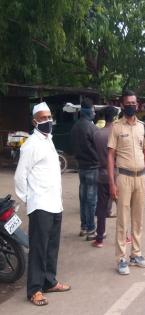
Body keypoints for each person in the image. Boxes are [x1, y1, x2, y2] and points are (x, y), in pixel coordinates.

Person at [15, 102, 70, 306]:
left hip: (55, 202)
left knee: (52, 246)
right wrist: (30, 199)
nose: (47, 121)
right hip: (40, 205)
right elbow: (20, 177)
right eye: (43, 118)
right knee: (38, 248)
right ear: (34, 121)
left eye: (49, 117)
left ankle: (49, 281)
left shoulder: (49, 140)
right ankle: (35, 290)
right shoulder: (31, 144)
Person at [108, 90, 145, 275]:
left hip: (140, 178)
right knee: (122, 220)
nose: (131, 106)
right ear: (122, 104)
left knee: (138, 219)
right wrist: (112, 182)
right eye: (128, 103)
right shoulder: (116, 127)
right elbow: (110, 156)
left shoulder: (142, 127)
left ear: (137, 104)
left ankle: (136, 254)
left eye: (133, 103)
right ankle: (121, 258)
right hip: (124, 178)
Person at [70, 98, 99, 237]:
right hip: (92, 167)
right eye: (93, 110)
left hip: (81, 167)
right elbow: (97, 148)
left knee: (83, 198)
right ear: (88, 111)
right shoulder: (92, 128)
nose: (94, 113)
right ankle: (91, 228)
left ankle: (83, 227)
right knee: (91, 199)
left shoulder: (75, 127)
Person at [90, 106, 118, 247]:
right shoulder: (118, 133)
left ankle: (99, 238)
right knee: (122, 207)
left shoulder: (97, 134)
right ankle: (125, 237)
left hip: (101, 174)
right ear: (115, 117)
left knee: (101, 207)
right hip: (117, 175)